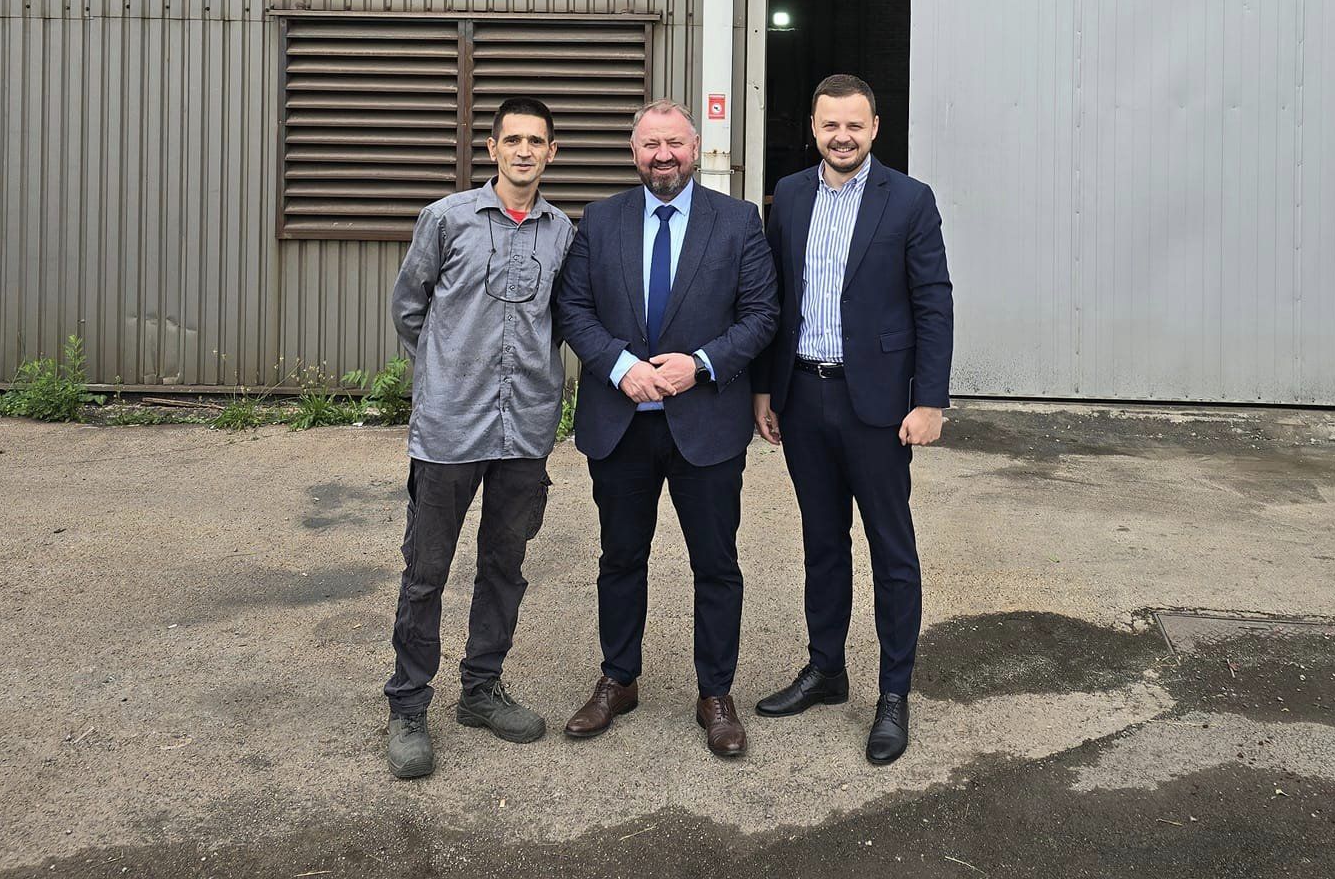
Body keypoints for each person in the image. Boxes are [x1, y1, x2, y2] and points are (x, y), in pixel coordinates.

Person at [553, 100, 778, 757]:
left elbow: (762, 314)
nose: (663, 155)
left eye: (675, 143)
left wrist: (700, 364)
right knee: (621, 558)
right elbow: (573, 307)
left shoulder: (737, 221)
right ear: (634, 152)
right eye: (651, 144)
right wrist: (620, 365)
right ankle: (618, 680)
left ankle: (716, 694)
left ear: (695, 148)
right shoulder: (601, 220)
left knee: (716, 564)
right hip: (620, 425)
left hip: (705, 426)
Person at [751, 73, 954, 765]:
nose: (842, 137)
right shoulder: (790, 195)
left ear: (874, 128)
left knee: (892, 551)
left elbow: (934, 303)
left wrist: (929, 400)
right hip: (803, 397)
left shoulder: (910, 199)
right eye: (830, 125)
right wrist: (764, 389)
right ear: (813, 127)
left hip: (878, 405)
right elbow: (776, 297)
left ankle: (893, 694)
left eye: (854, 126)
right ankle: (826, 669)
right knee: (822, 543)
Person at [381, 96, 576, 780]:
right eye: (512, 139)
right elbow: (410, 306)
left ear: (552, 152)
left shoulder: (562, 233)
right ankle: (408, 706)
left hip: (524, 428)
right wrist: (445, 372)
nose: (524, 151)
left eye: (537, 141)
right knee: (426, 571)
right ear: (491, 148)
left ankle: (481, 691)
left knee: (504, 566)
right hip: (449, 429)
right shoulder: (446, 219)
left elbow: (563, 319)